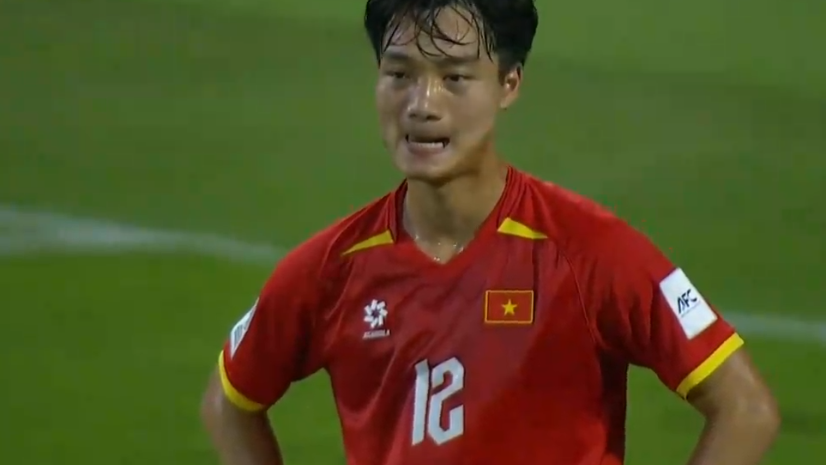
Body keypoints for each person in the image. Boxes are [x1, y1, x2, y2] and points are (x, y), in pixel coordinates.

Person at [200, 0, 780, 464]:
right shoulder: (333, 268)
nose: (422, 104)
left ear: (508, 84)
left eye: (454, 77)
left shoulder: (587, 252)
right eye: (399, 74)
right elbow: (228, 404)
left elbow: (745, 410)